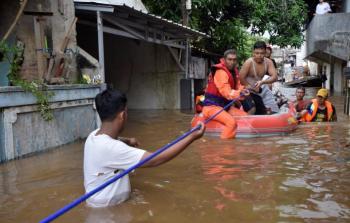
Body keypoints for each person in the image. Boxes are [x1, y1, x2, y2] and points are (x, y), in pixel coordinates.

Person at [84, 89, 205, 207]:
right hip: (110, 210)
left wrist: (127, 140)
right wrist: (192, 137)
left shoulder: (93, 136)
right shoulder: (113, 149)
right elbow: (155, 159)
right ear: (122, 115)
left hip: (98, 203)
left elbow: (113, 141)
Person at [202, 49, 253, 139]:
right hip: (212, 107)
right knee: (231, 123)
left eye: (234, 60)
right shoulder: (220, 72)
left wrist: (244, 90)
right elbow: (226, 92)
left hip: (225, 107)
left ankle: (234, 137)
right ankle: (225, 149)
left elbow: (238, 87)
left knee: (246, 117)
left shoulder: (234, 72)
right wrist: (240, 93)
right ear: (224, 60)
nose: (232, 62)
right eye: (229, 59)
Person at [240, 41, 279, 114]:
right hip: (246, 91)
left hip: (258, 90)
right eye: (257, 53)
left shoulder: (268, 62)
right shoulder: (249, 62)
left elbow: (275, 77)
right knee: (252, 109)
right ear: (253, 53)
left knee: (268, 112)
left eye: (262, 53)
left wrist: (263, 82)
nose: (259, 55)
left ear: (265, 53)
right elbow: (241, 78)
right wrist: (250, 87)